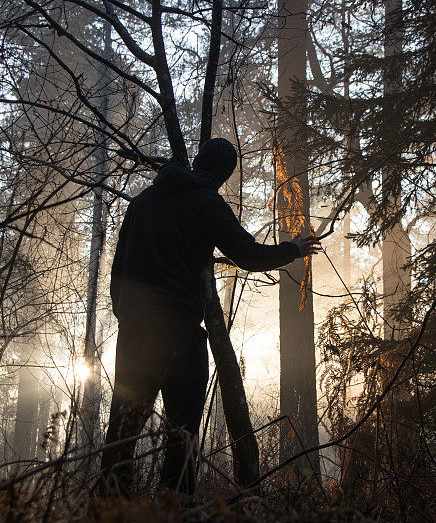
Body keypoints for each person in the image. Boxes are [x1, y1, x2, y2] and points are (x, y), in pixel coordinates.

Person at [100, 138, 320, 497]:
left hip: (135, 334)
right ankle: (175, 507)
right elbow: (247, 255)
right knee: (182, 433)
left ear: (198, 161)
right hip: (179, 335)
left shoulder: (142, 203)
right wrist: (292, 250)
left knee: (123, 431)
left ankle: (108, 506)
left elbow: (117, 269)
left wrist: (126, 316)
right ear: (226, 173)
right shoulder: (206, 201)